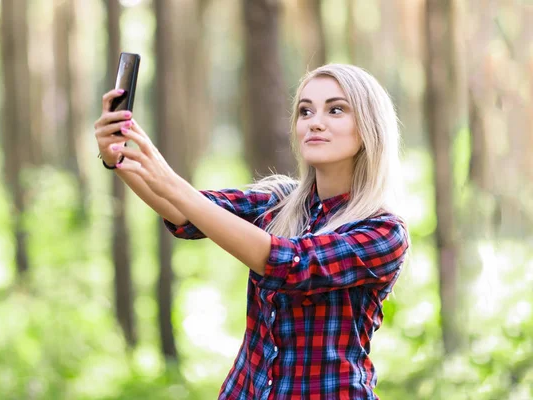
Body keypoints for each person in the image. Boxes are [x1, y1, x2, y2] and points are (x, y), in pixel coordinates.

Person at [94, 63, 410, 400]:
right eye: (305, 111)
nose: (315, 122)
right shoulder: (280, 201)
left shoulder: (383, 232)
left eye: (336, 109)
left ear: (369, 128)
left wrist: (170, 181)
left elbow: (291, 265)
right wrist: (118, 159)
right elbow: (187, 213)